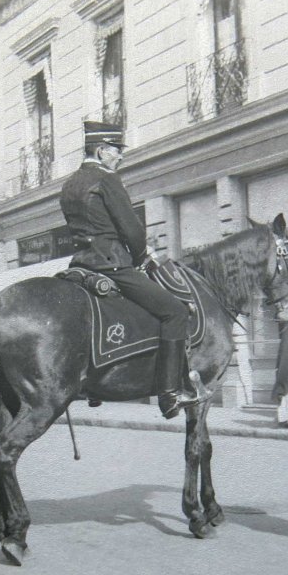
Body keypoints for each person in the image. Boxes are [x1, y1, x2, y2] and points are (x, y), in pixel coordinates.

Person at [59, 121, 198, 419]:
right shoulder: (107, 180)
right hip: (112, 264)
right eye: (116, 151)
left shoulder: (69, 184)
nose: (120, 157)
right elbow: (132, 230)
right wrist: (140, 256)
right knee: (174, 312)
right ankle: (170, 393)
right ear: (100, 150)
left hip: (80, 266)